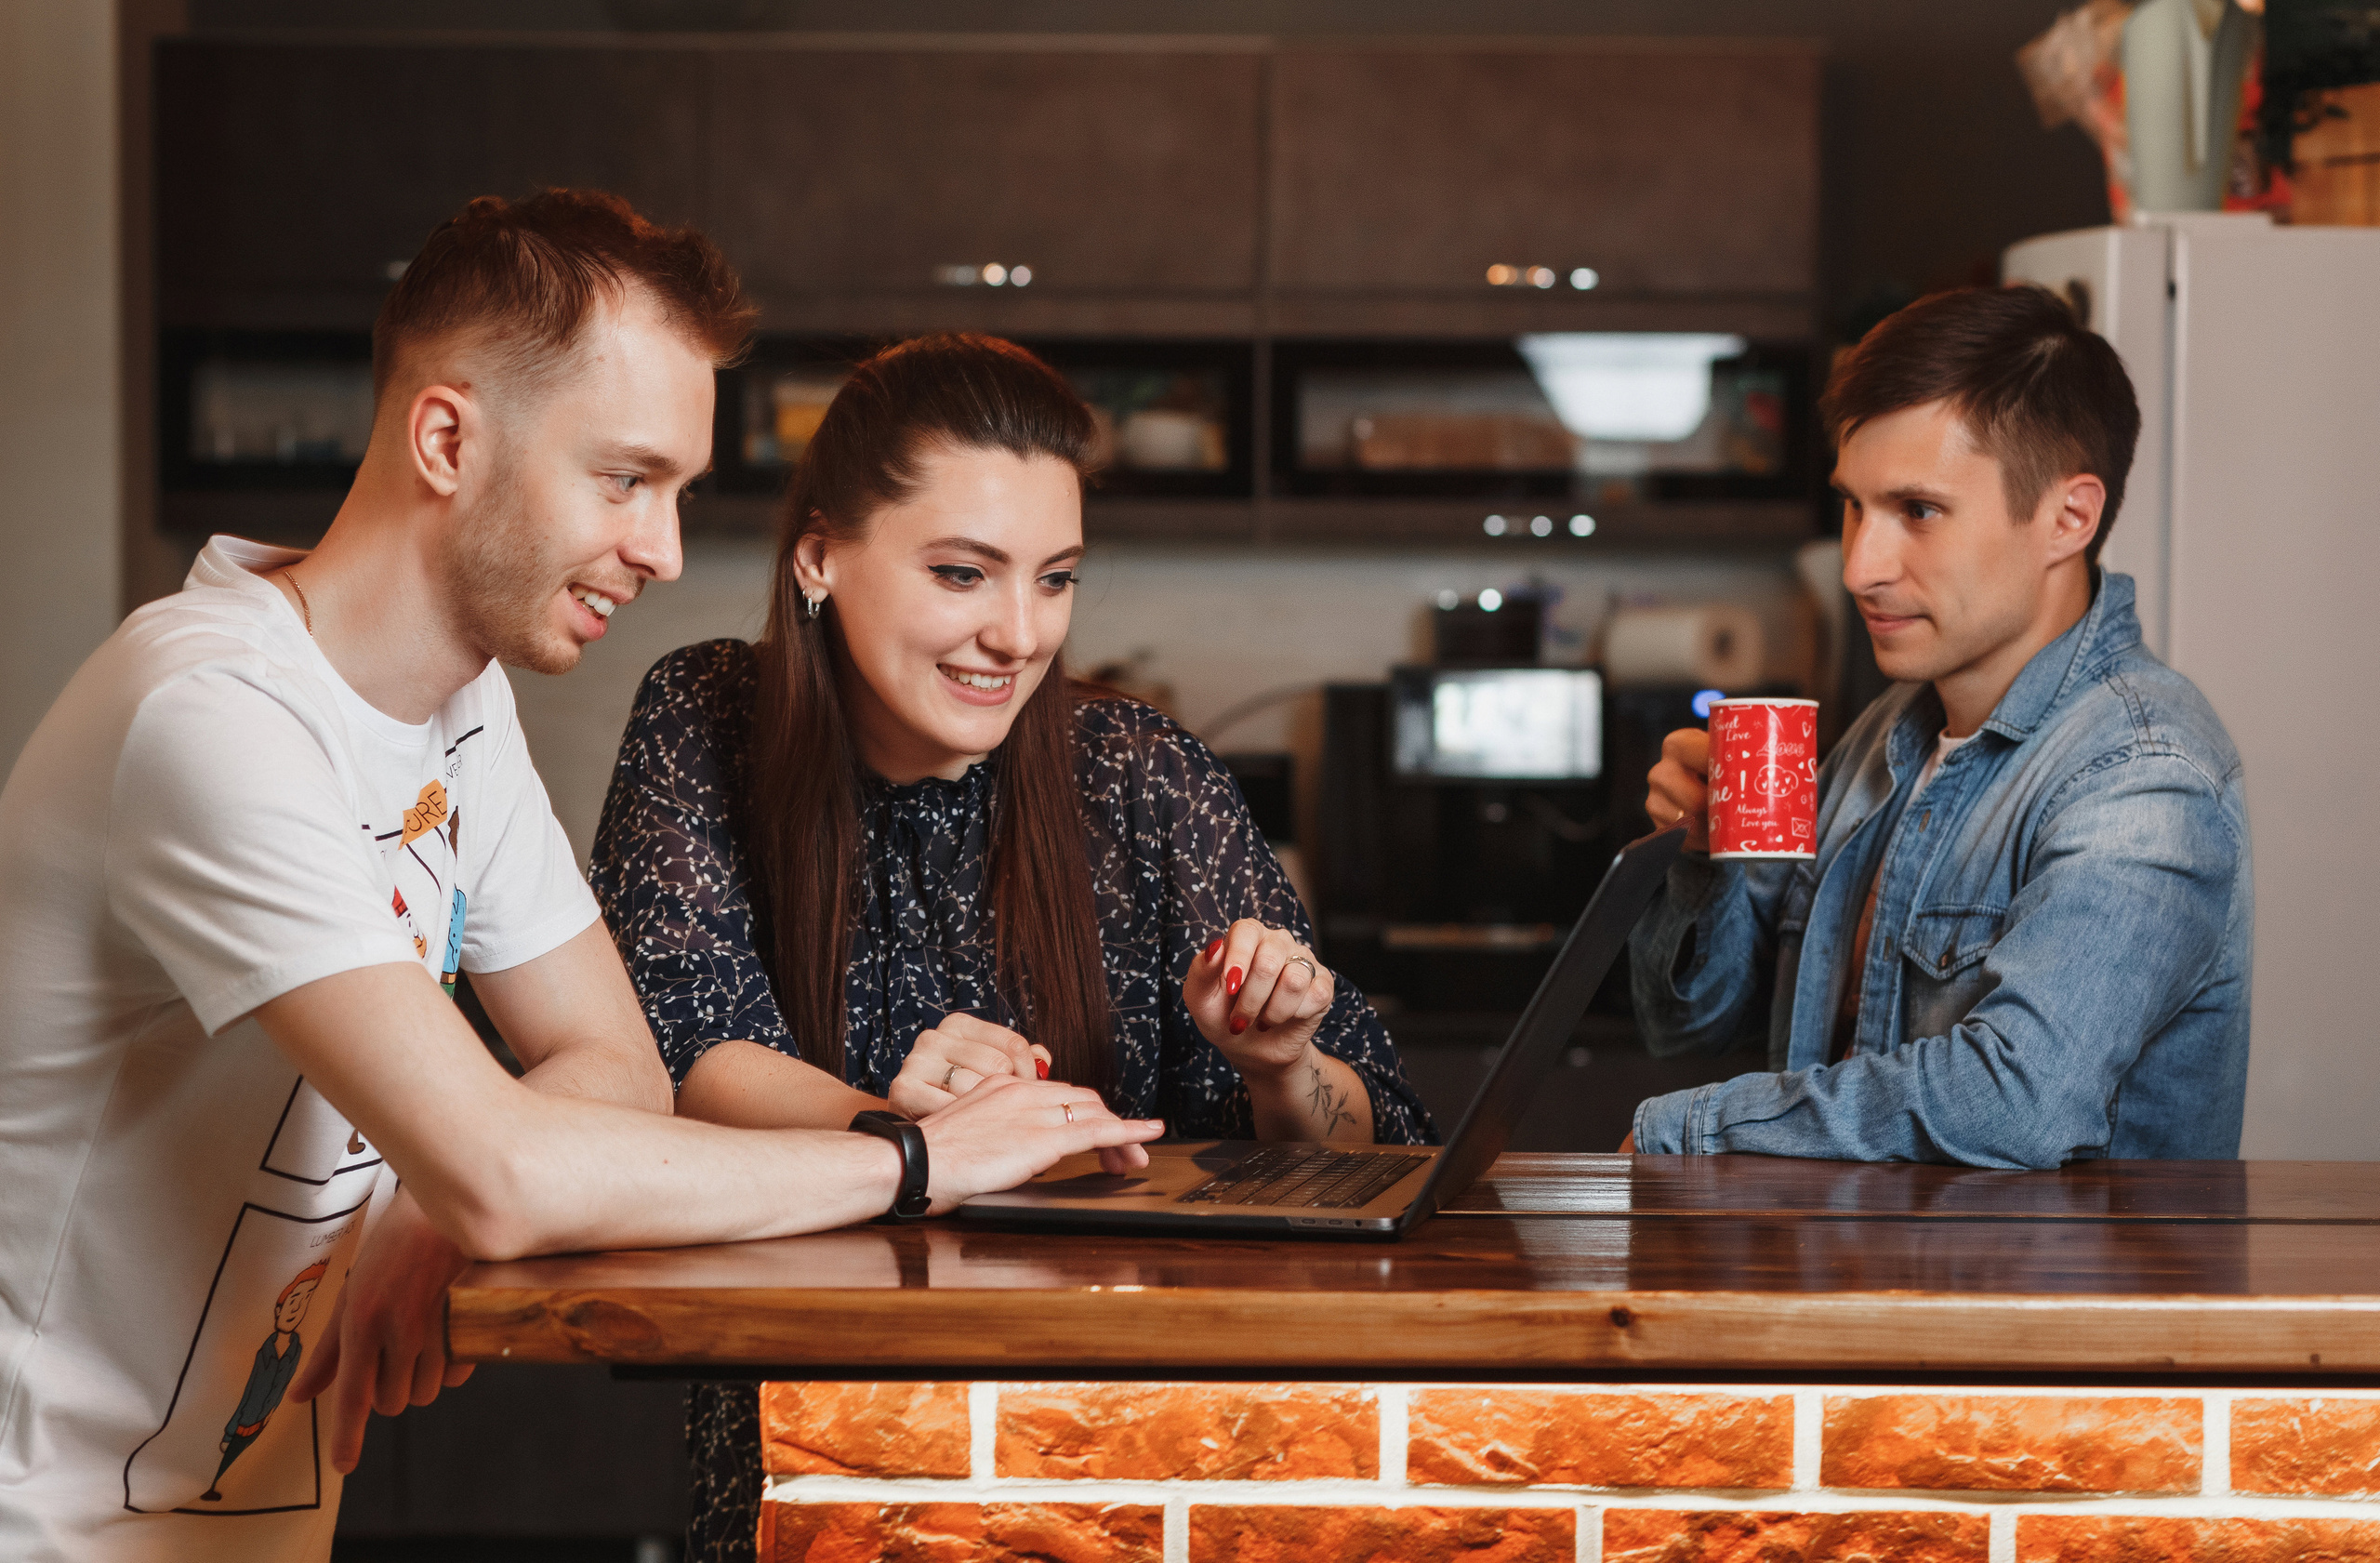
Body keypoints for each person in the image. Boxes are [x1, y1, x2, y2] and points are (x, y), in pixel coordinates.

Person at [0, 192, 1159, 1563]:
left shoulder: (457, 716)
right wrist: (910, 1158)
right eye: (624, 479)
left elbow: (611, 1059)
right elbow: (510, 1171)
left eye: (674, 491)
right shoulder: (208, 712)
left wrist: (466, 1169)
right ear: (446, 437)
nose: (665, 550)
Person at [590, 331, 1435, 1556]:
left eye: (1055, 578)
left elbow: (1371, 1149)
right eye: (962, 572)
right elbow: (688, 1058)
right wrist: (914, 1134)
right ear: (820, 553)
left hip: (1133, 1455)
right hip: (815, 1440)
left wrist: (1279, 1062)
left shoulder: (1141, 772)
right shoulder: (706, 714)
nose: (1018, 633)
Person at [1623, 285, 2249, 1166]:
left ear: (2069, 517)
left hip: (2040, 1305)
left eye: (1917, 511)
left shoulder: (2144, 774)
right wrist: (1700, 854)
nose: (1860, 567)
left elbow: (2018, 1100)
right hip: (1852, 1286)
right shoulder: (1886, 733)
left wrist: (1695, 1126)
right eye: (1854, 506)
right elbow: (1687, 1024)